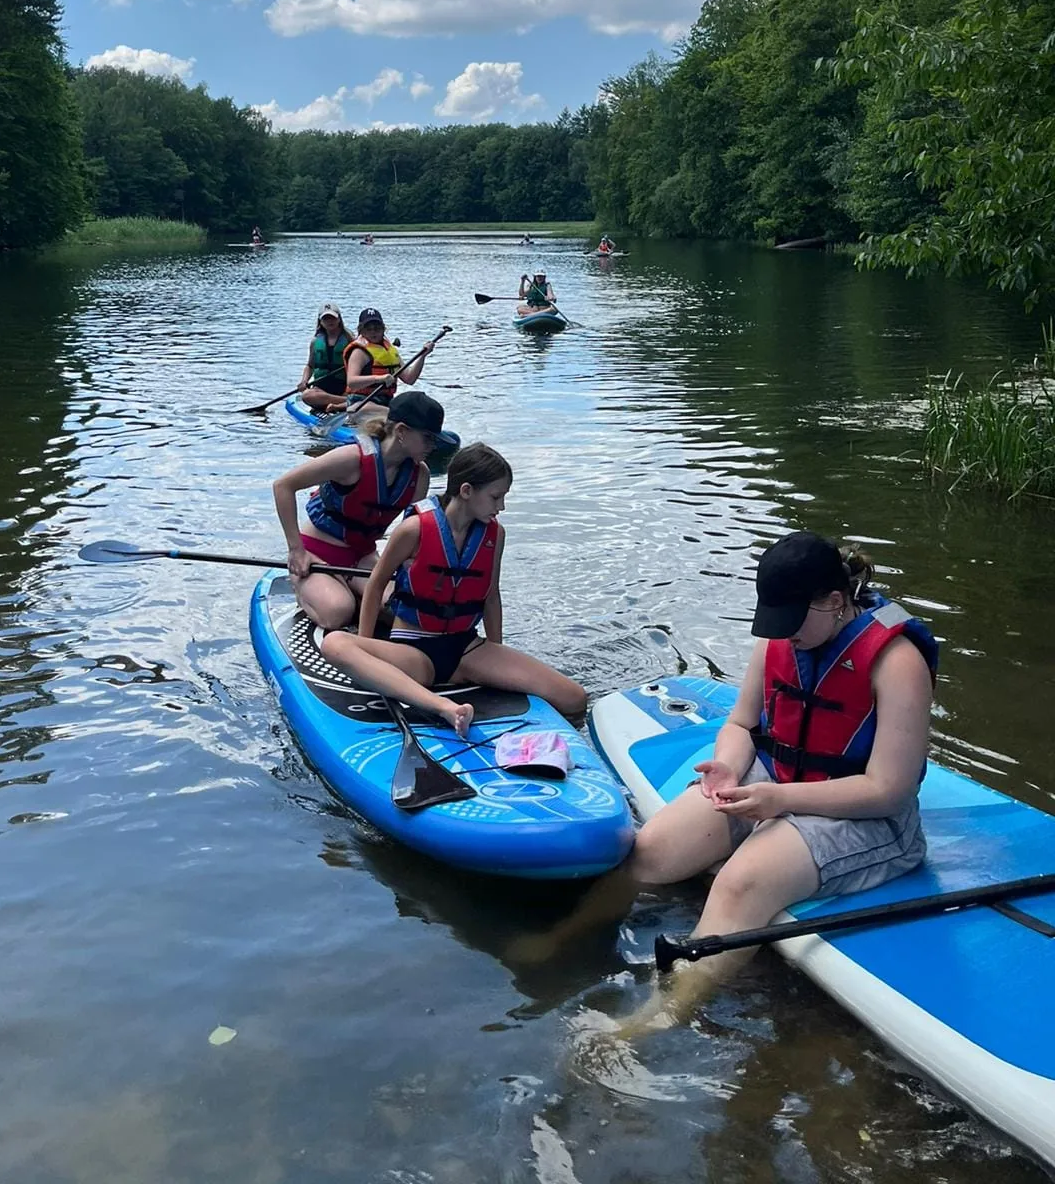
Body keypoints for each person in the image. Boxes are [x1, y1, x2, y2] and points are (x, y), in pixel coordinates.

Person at [516, 531, 938, 1030]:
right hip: (775, 779)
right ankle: (568, 935)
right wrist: (729, 768)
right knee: (651, 849)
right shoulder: (783, 635)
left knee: (741, 884)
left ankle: (651, 1023)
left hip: (867, 813)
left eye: (792, 621)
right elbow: (741, 724)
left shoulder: (897, 661)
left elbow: (887, 789)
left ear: (834, 601)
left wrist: (778, 800)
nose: (783, 634)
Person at [322, 444, 587, 736]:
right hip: (414, 650)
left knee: (574, 698)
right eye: (496, 497)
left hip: (466, 650)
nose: (501, 507)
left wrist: (496, 656)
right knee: (336, 644)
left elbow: (490, 595)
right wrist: (368, 647)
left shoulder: (494, 534)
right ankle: (441, 706)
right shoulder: (414, 530)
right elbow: (376, 585)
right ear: (466, 491)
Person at [272, 392, 442, 630]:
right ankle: (306, 587)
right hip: (317, 553)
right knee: (338, 611)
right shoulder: (351, 459)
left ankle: (349, 588)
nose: (433, 447)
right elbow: (283, 486)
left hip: (362, 557)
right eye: (428, 439)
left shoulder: (419, 476)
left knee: (402, 608)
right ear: (402, 431)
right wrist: (296, 550)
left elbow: (414, 530)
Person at [343, 308, 433, 422]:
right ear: (361, 330)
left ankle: (401, 421)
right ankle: (395, 418)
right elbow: (352, 382)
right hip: (361, 402)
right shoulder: (359, 352)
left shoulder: (390, 350)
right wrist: (379, 378)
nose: (373, 332)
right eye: (368, 328)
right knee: (365, 408)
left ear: (383, 329)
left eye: (377, 328)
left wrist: (422, 356)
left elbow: (410, 379)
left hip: (386, 402)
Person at [296, 304, 354, 412]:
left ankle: (345, 400)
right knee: (307, 396)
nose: (329, 321)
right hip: (321, 388)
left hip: (343, 386)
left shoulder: (349, 339)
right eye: (325, 319)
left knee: (310, 396)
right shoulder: (315, 341)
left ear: (339, 319)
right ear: (320, 321)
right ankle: (346, 401)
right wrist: (304, 381)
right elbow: (310, 365)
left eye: (332, 318)